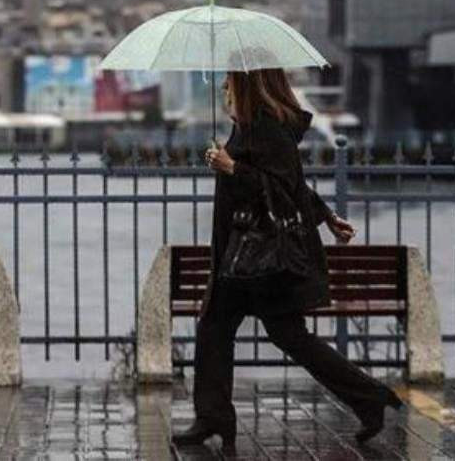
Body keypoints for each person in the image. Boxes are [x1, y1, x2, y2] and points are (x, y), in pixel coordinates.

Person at [172, 68, 403, 450]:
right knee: (219, 327)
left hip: (260, 259)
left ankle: (369, 398)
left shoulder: (267, 127)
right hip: (246, 257)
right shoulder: (250, 126)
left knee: (270, 333)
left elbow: (279, 188)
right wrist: (327, 216)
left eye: (231, 79)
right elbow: (292, 183)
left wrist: (232, 168)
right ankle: (214, 418)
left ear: (250, 83)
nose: (225, 85)